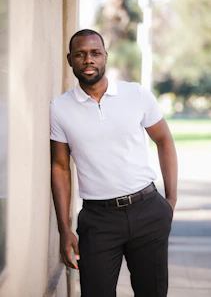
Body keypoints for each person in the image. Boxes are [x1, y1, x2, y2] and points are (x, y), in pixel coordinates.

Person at [50, 29, 177, 297]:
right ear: (69, 59)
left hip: (147, 210)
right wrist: (64, 229)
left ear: (105, 57)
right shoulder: (59, 108)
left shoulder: (136, 95)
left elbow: (165, 141)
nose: (88, 60)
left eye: (95, 53)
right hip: (98, 220)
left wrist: (170, 202)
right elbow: (60, 167)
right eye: (80, 54)